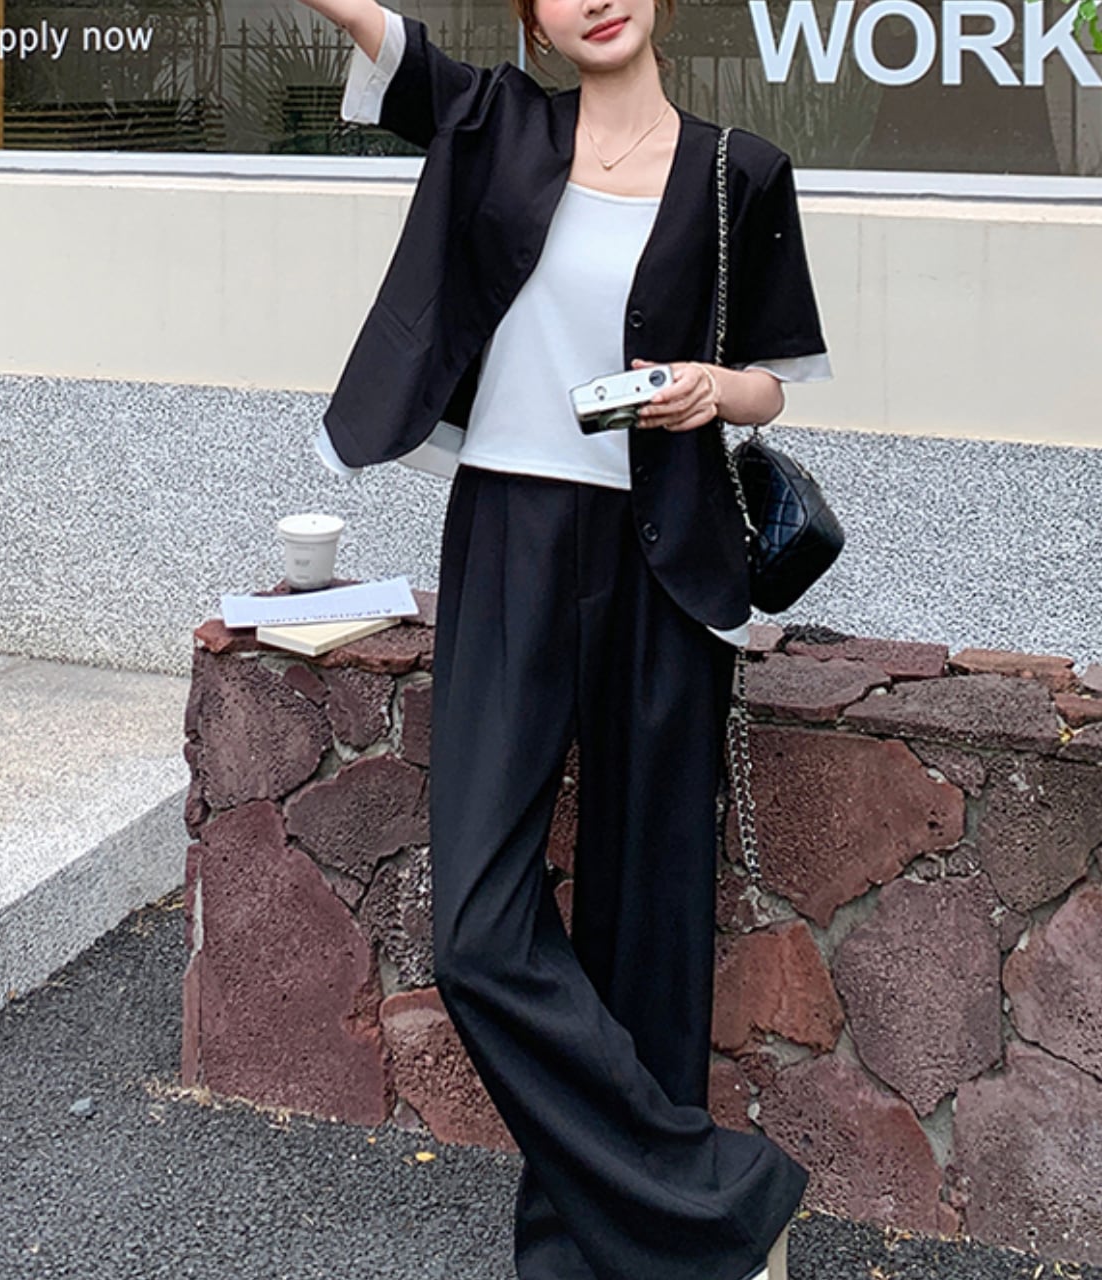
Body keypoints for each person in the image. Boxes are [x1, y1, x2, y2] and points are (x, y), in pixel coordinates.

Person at [299, 0, 832, 1276]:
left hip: (665, 555)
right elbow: (376, 29)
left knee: (649, 919)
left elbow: (774, 373)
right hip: (509, 538)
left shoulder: (738, 169)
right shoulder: (492, 122)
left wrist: (712, 389)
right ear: (532, 15)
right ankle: (718, 1198)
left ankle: (594, 1249)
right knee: (477, 931)